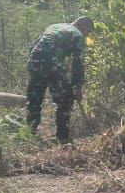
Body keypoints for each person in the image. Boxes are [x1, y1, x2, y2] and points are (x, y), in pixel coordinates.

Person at [26, 16, 93, 144]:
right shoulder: (77, 34)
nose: (87, 34)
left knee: (34, 99)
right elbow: (78, 63)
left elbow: (34, 46)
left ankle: (29, 134)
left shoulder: (53, 26)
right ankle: (62, 138)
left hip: (34, 60)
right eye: (88, 31)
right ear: (83, 26)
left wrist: (33, 67)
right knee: (65, 100)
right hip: (52, 63)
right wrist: (77, 87)